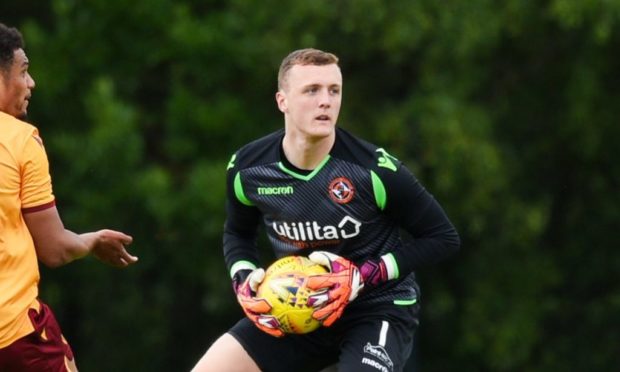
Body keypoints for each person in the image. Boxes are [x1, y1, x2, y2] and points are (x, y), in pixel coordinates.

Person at [192, 48, 460, 372]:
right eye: (312, 90)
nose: (326, 101)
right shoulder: (248, 169)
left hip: (376, 309)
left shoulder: (373, 170)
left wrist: (363, 275)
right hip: (298, 309)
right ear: (282, 101)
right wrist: (243, 278)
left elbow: (443, 237)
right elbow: (238, 232)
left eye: (334, 90)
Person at [0, 23, 138, 371]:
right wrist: (91, 241)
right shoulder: (19, 139)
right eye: (24, 71)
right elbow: (55, 249)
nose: (30, 83)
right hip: (13, 333)